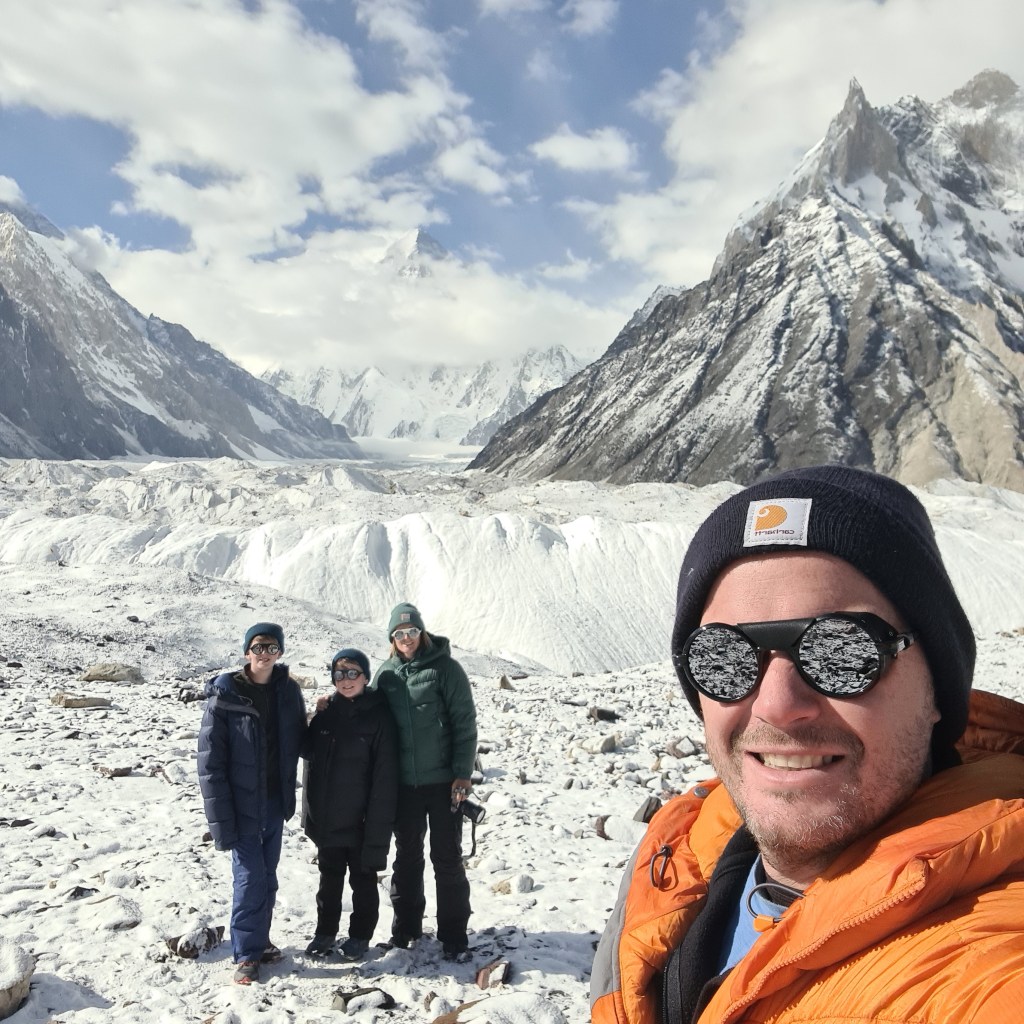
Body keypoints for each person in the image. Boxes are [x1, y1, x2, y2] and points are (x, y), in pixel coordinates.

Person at [591, 465, 1024, 1023]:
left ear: (937, 687)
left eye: (840, 651)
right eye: (724, 657)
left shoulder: (985, 969)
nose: (776, 704)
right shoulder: (674, 857)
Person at [197, 622, 306, 986]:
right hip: (240, 806)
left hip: (274, 802)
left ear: (280, 653)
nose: (264, 654)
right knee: (249, 879)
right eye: (258, 647)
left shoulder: (288, 692)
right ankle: (246, 954)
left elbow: (301, 740)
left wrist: (329, 715)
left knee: (267, 876)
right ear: (247, 652)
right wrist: (220, 821)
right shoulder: (225, 696)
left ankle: (260, 942)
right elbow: (210, 765)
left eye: (272, 647)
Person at [371, 602, 478, 961]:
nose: (406, 638)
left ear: (422, 632)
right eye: (399, 633)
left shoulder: (446, 669)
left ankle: (454, 935)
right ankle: (405, 930)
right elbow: (368, 712)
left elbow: (464, 722)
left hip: (445, 783)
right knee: (407, 858)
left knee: (447, 857)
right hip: (404, 785)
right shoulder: (386, 674)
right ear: (392, 638)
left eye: (412, 631)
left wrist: (462, 774)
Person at [301, 647, 398, 960]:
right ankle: (325, 932)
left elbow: (384, 776)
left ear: (365, 677)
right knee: (328, 881)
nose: (346, 680)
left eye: (353, 673)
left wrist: (377, 821)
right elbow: (306, 750)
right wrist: (311, 716)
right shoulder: (327, 714)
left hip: (362, 819)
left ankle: (360, 936)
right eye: (339, 674)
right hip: (328, 817)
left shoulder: (380, 716)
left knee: (363, 881)